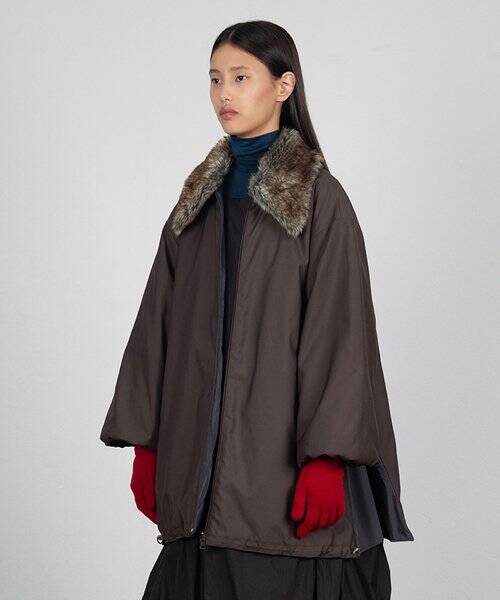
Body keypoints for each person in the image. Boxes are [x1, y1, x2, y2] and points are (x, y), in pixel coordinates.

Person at [99, 20, 414, 600]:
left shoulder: (320, 200)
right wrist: (146, 443)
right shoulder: (195, 207)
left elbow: (342, 335)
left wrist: (329, 458)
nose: (224, 93)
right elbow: (154, 328)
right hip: (197, 482)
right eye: (215, 79)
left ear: (283, 86)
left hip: (283, 484)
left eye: (241, 78)